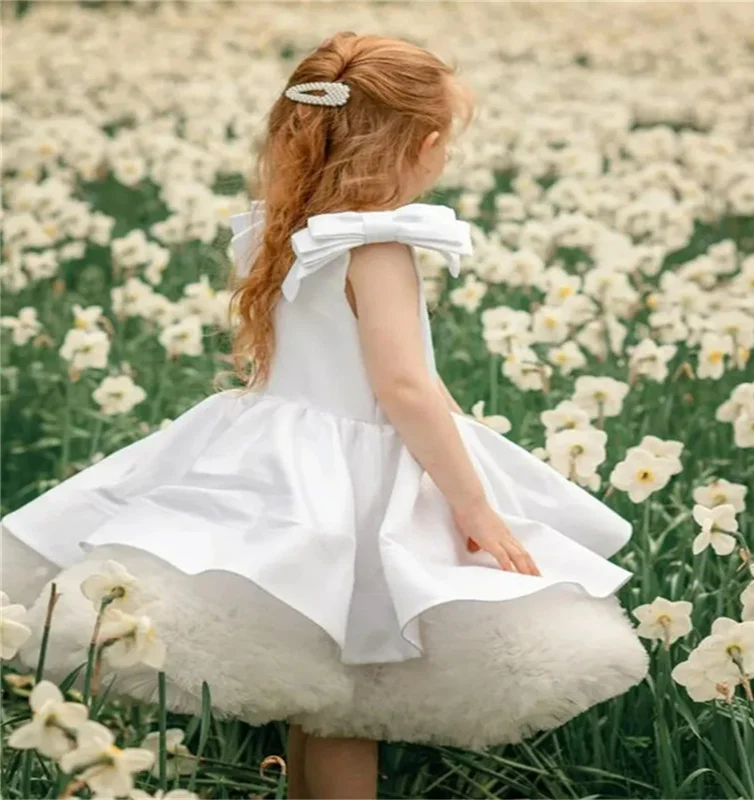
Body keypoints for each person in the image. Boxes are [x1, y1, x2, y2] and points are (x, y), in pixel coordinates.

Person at [3, 32, 648, 800]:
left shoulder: (282, 233)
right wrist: (478, 509)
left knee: (324, 699)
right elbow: (403, 386)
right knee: (351, 701)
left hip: (278, 467)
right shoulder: (375, 246)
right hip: (359, 486)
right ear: (426, 143)